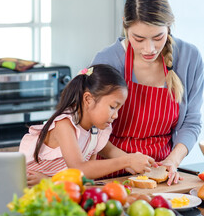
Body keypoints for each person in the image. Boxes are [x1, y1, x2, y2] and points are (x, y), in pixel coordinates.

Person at [91, 0, 204, 185]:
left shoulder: (189, 58)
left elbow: (191, 122)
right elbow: (92, 128)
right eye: (139, 39)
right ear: (125, 28)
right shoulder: (107, 60)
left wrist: (173, 160)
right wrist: (126, 161)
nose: (149, 49)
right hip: (112, 173)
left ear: (169, 26)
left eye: (158, 37)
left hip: (161, 175)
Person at [19, 64, 155, 187]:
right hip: (30, 188)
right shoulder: (64, 125)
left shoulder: (95, 130)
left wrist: (142, 163)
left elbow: (110, 153)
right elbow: (80, 169)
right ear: (88, 99)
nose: (116, 115)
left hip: (59, 188)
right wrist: (128, 161)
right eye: (113, 107)